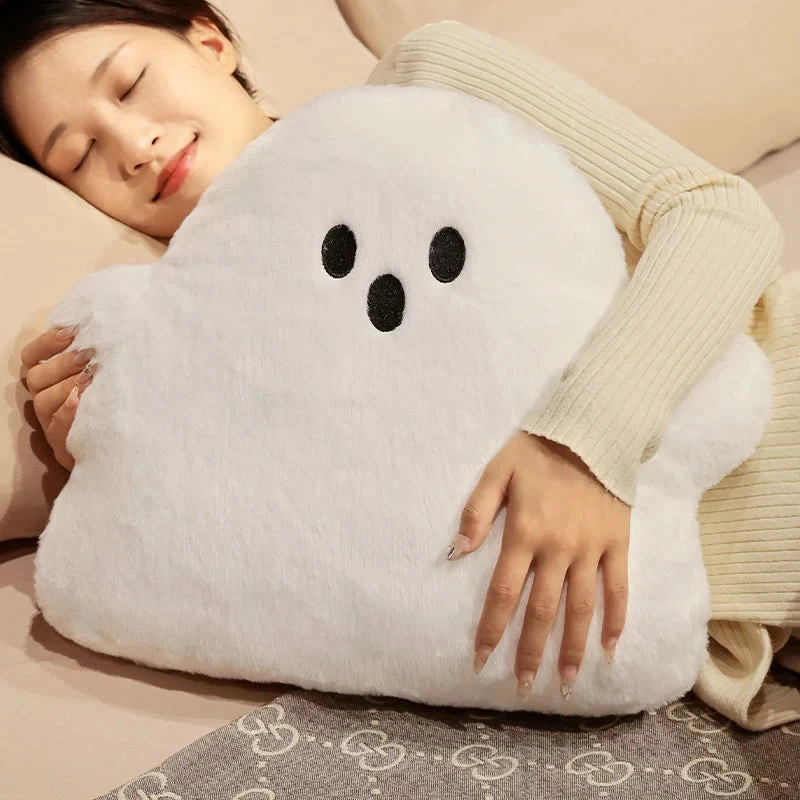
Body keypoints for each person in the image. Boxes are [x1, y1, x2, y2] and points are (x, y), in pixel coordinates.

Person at [1, 1, 797, 728]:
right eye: (80, 154)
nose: (132, 146)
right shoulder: (206, 339)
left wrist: (582, 443)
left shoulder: (428, 86)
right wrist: (115, 444)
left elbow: (717, 216)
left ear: (209, 44)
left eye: (131, 84)